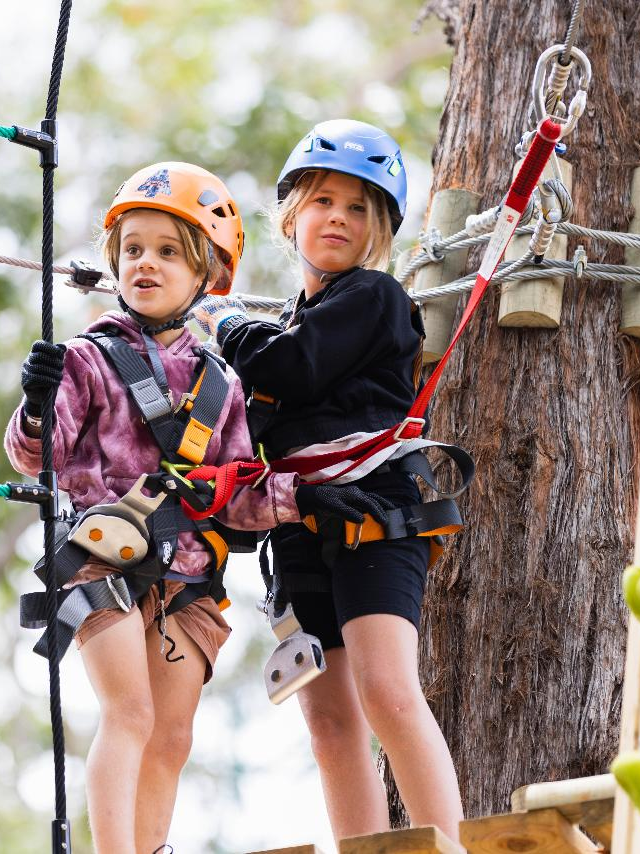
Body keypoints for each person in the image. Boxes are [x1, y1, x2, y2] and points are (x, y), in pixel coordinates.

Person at [5, 161, 389, 854]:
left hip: (188, 575)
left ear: (208, 275)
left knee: (173, 733)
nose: (144, 264)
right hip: (103, 555)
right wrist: (36, 406)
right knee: (129, 712)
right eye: (132, 250)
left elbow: (237, 493)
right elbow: (41, 457)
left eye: (166, 251)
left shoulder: (222, 381)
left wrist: (304, 498)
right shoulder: (89, 359)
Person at [192, 121, 467, 843]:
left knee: (387, 691)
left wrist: (223, 321)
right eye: (322, 201)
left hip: (378, 513)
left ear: (378, 231)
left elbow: (294, 368)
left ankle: (449, 841)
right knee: (328, 721)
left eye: (357, 208)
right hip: (303, 526)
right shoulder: (286, 323)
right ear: (291, 217)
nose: (338, 217)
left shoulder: (372, 298)